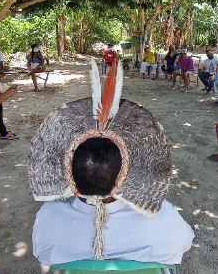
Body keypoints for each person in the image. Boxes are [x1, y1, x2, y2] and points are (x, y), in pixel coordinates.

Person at [30, 59, 194, 269]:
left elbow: (42, 256)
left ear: (69, 175)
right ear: (125, 173)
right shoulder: (164, 219)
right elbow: (184, 244)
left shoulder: (48, 219)